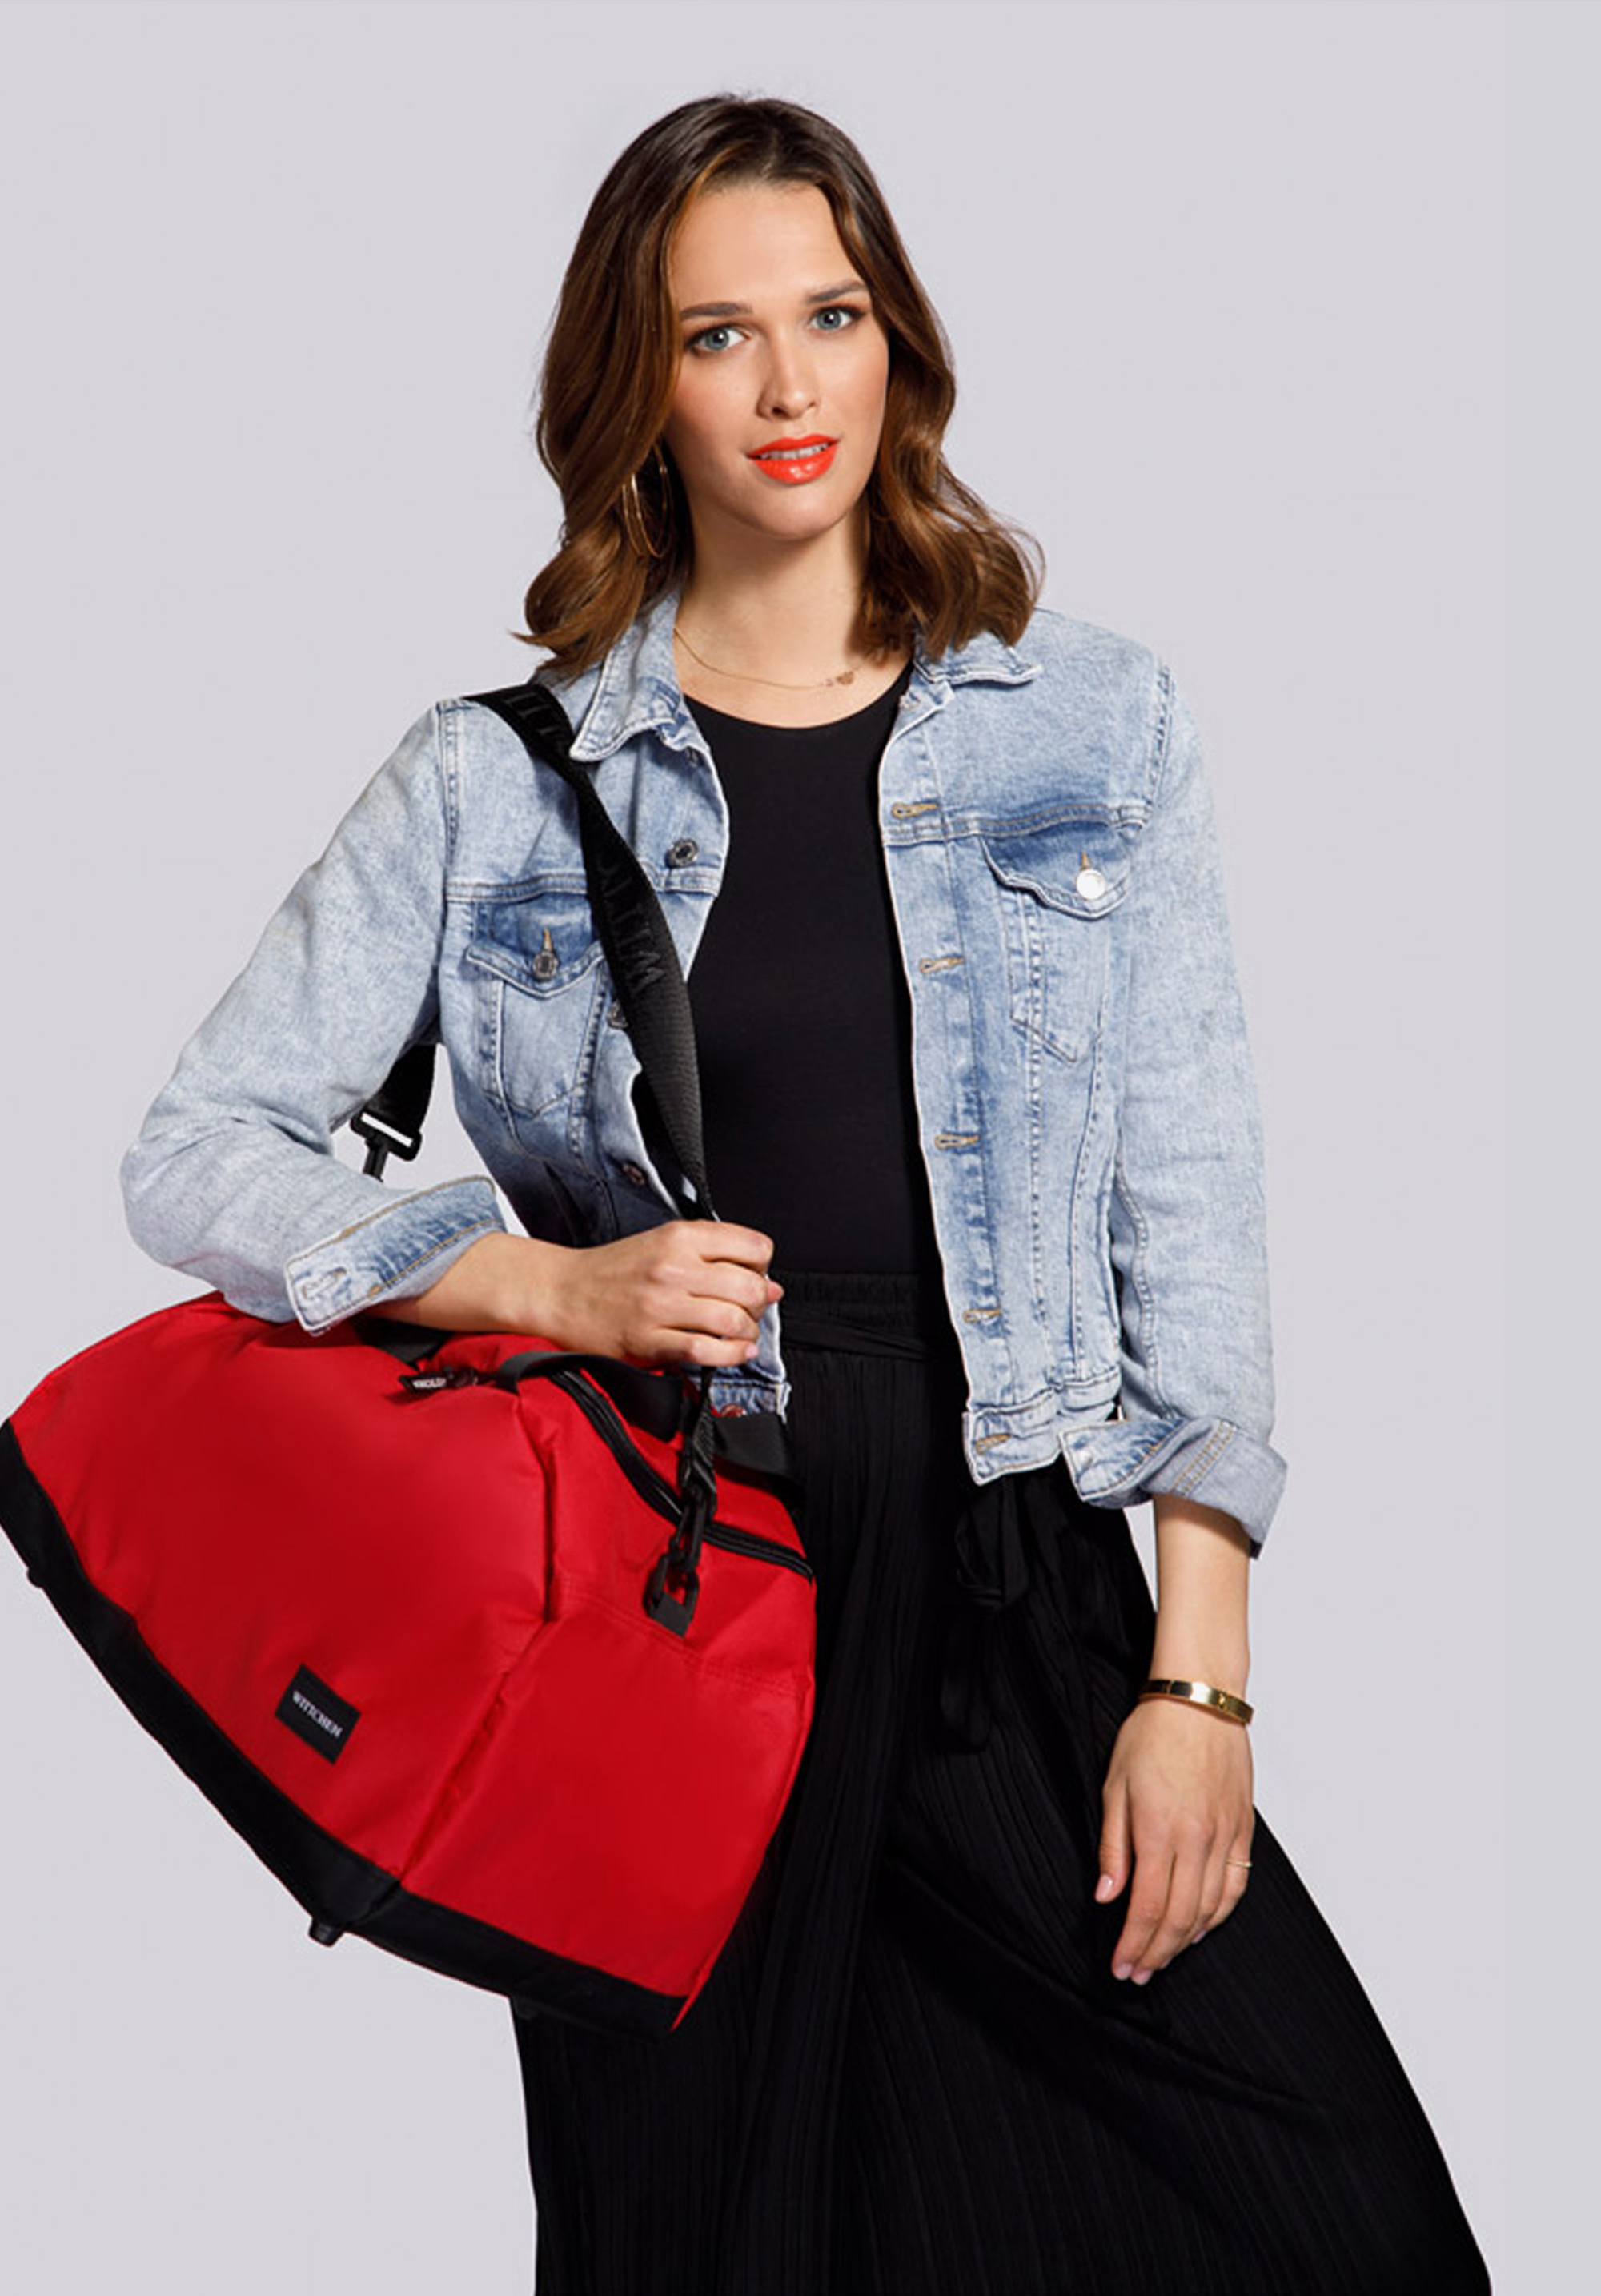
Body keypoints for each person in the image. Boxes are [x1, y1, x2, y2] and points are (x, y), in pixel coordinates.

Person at [120, 92, 1492, 2296]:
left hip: (1009, 1571)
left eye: (832, 316)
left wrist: (1203, 1674)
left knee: (1334, 2228)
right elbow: (200, 1153)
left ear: (899, 344)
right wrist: (547, 1287)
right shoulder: (498, 782)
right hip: (679, 1597)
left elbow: (1193, 1195)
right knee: (713, 2247)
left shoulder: (1091, 729)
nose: (788, 384)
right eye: (718, 334)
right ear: (637, 389)